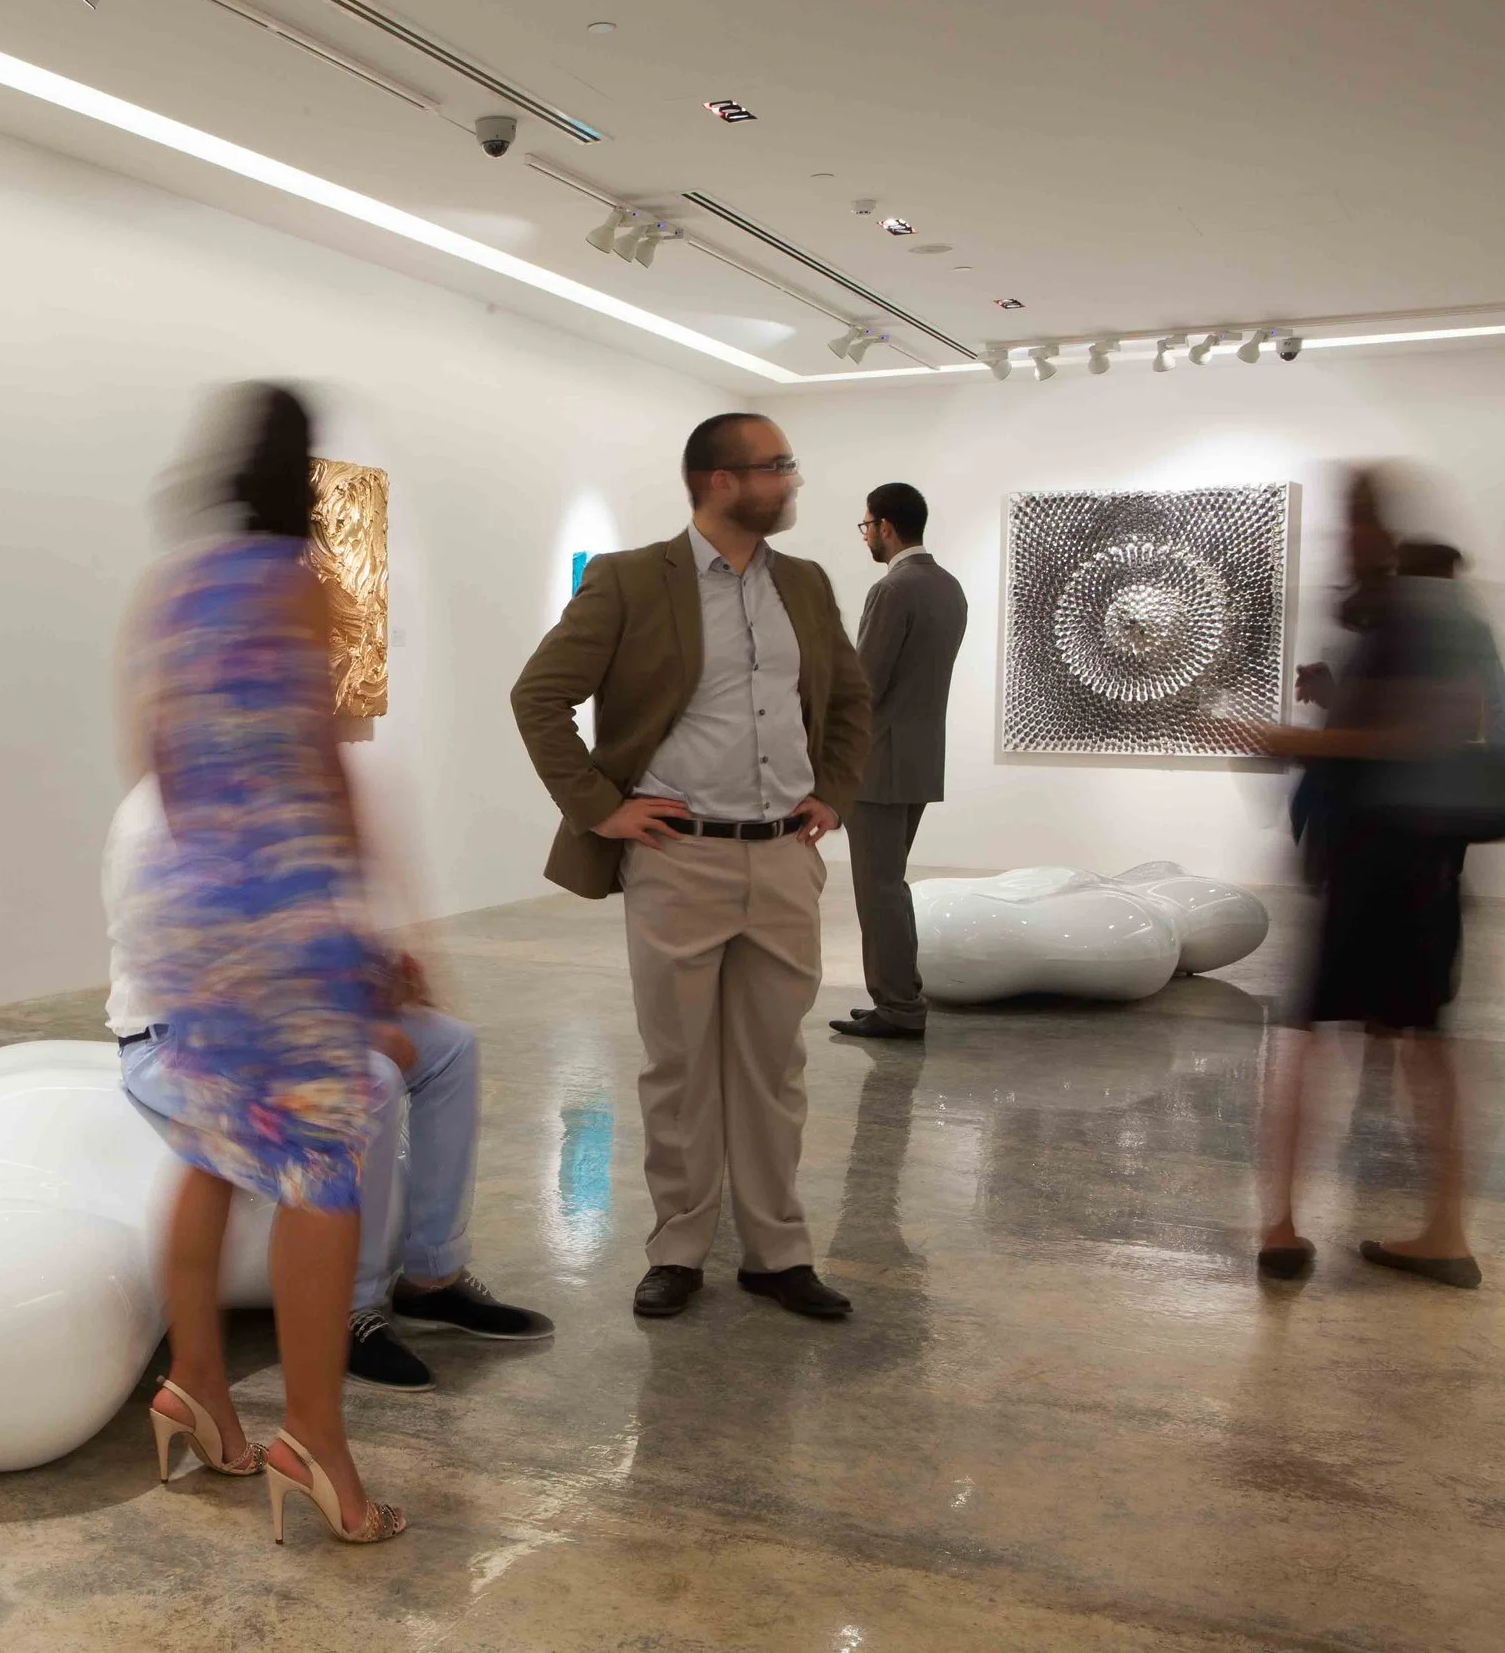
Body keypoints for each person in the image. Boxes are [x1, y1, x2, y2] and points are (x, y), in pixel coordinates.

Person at [511, 412, 872, 1322]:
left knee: (774, 1066)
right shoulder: (632, 580)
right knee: (678, 1066)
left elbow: (849, 698)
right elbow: (539, 695)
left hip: (783, 858)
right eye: (777, 466)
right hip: (679, 859)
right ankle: (678, 1245)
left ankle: (777, 1252)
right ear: (719, 480)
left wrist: (833, 790)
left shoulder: (805, 582)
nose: (792, 480)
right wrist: (602, 808)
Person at [122, 382, 403, 1544]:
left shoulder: (172, 589)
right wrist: (370, 917)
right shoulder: (303, 583)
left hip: (188, 899)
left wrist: (205, 878)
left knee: (210, 1144)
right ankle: (316, 1444)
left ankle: (195, 1384)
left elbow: (153, 751)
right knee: (322, 1161)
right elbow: (322, 765)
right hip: (282, 904)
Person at [104, 777, 553, 1391]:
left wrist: (376, 971)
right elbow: (211, 975)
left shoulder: (264, 783)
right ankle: (348, 1308)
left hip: (276, 1014)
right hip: (177, 1040)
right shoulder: (161, 816)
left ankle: (432, 1274)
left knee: (451, 1047)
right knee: (369, 1080)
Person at [1247, 470, 1490, 1290]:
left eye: (1353, 517)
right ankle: (1433, 1229)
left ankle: (1285, 1224)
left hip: (1383, 861)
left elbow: (1411, 733)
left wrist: (1290, 736)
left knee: (1311, 1036)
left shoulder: (1418, 618)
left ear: (1378, 529)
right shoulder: (1420, 618)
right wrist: (1332, 705)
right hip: (1409, 862)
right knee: (1414, 1040)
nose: (1344, 536)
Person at [831, 482, 967, 1041]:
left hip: (878, 765)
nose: (865, 536)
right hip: (918, 760)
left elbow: (866, 685)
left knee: (879, 891)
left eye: (866, 526)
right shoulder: (948, 587)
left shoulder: (892, 589)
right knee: (890, 885)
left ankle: (899, 1007)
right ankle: (901, 996)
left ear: (885, 526)